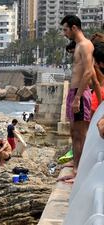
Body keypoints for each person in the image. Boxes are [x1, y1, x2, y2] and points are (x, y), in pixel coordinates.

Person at [58, 15, 102, 183]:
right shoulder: (78, 46)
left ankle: (79, 172)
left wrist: (77, 98)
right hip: (74, 92)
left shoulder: (85, 45)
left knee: (80, 135)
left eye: (65, 29)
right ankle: (76, 167)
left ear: (74, 28)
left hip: (79, 94)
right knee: (73, 132)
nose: (64, 33)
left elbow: (89, 72)